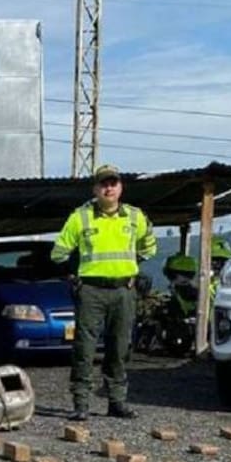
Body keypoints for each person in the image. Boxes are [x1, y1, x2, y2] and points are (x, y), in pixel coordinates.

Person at [52, 163, 158, 421]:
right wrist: (75, 272)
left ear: (120, 187)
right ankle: (81, 403)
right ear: (95, 189)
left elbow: (149, 247)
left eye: (113, 183)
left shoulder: (135, 217)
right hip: (91, 291)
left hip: (123, 291)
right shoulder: (80, 217)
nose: (109, 188)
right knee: (84, 349)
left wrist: (130, 268)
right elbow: (58, 253)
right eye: (103, 184)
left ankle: (116, 402)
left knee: (120, 348)